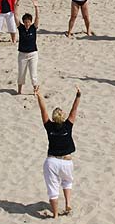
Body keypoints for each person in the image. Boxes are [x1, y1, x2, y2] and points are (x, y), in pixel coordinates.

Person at [35, 86, 81, 219]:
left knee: (52, 189)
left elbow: (43, 110)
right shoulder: (68, 125)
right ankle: (68, 204)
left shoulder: (49, 126)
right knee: (67, 182)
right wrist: (78, 96)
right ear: (62, 116)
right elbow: (74, 109)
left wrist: (39, 95)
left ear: (54, 118)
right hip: (66, 161)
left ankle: (55, 215)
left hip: (52, 162)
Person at [14, 0, 39, 94]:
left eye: (28, 21)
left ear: (30, 22)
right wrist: (16, 5)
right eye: (25, 21)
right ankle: (19, 91)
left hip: (33, 54)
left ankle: (35, 91)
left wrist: (36, 7)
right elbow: (15, 16)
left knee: (33, 75)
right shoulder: (21, 28)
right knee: (21, 74)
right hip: (22, 55)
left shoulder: (33, 28)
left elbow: (37, 18)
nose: (27, 23)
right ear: (23, 22)